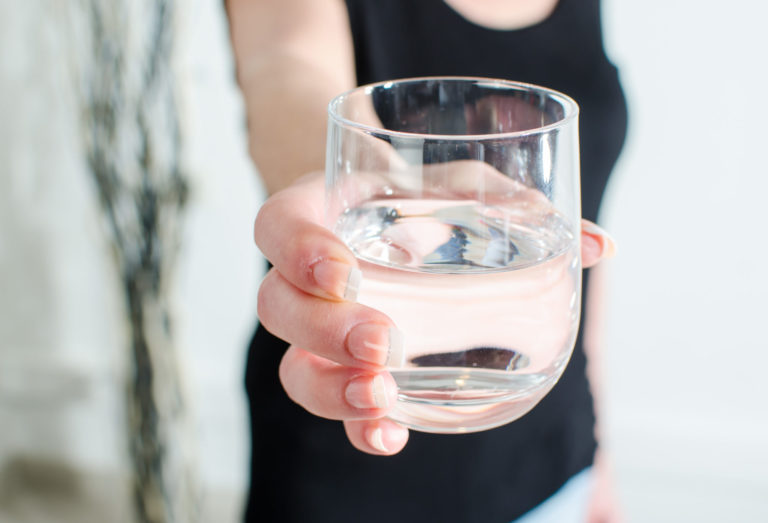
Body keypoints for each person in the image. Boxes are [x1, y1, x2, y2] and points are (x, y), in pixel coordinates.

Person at [226, 0, 627, 521]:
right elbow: (288, 65)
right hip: (352, 474)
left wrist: (600, 451)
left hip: (555, 465)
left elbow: (578, 243)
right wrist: (366, 187)